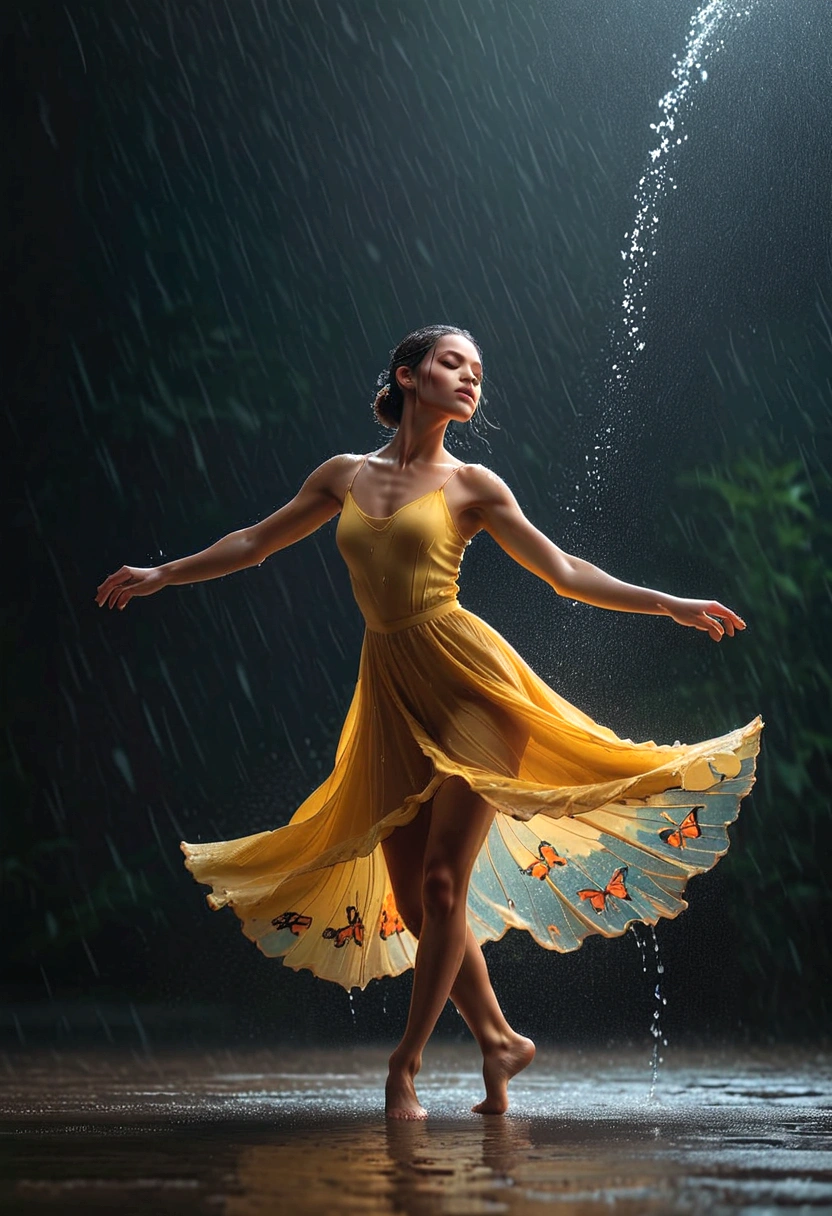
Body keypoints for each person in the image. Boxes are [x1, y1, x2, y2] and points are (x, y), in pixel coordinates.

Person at [95, 323, 763, 1120]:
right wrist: (163, 573)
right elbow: (254, 542)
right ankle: (500, 1040)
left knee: (446, 882)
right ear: (408, 376)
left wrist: (669, 603)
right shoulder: (344, 476)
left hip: (472, 684)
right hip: (389, 692)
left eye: (479, 370)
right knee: (416, 904)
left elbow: (563, 571)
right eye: (454, 363)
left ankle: (404, 1066)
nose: (471, 379)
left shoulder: (475, 484)